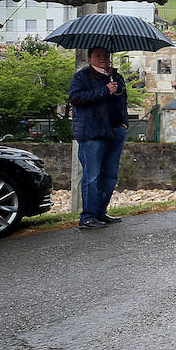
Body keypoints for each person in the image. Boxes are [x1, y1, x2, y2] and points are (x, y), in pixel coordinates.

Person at [68, 46, 129, 230]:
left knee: (110, 175)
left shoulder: (116, 77)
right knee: (91, 177)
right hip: (92, 133)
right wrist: (104, 91)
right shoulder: (82, 77)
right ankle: (88, 217)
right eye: (98, 56)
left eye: (105, 55)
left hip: (115, 132)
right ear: (90, 59)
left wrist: (124, 123)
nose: (103, 58)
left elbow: (122, 101)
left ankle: (101, 212)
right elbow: (75, 98)